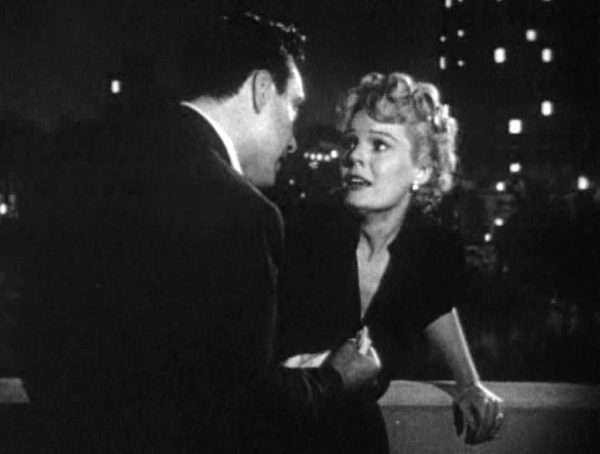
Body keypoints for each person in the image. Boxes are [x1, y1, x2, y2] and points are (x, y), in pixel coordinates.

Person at [20, 13, 380, 453]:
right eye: (295, 106)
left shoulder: (84, 165)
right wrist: (335, 377)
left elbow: (45, 341)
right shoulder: (243, 213)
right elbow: (243, 404)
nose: (293, 140)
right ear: (261, 89)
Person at [279, 72, 504, 453]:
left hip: (358, 440)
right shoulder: (303, 233)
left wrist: (469, 383)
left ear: (422, 170)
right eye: (351, 142)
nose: (354, 156)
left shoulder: (429, 250)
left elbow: (435, 306)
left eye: (379, 144)